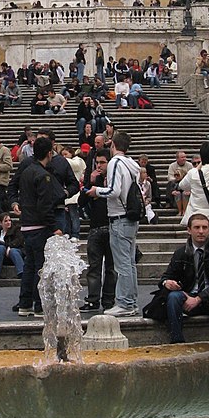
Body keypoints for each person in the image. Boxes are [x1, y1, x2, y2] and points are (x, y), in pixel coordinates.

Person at [155, 214, 209, 342]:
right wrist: (167, 283)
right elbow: (166, 276)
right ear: (189, 230)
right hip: (188, 297)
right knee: (173, 297)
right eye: (197, 227)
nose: (201, 231)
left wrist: (199, 298)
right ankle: (177, 343)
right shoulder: (180, 253)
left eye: (205, 228)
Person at [9, 135, 66, 317]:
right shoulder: (43, 176)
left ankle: (25, 303)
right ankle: (40, 305)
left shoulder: (27, 171)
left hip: (26, 224)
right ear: (50, 153)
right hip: (39, 226)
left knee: (29, 267)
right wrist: (53, 226)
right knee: (41, 268)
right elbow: (44, 205)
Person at [86, 130, 141, 318]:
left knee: (122, 264)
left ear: (113, 145)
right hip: (130, 218)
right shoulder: (132, 164)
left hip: (119, 216)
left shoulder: (116, 163)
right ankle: (131, 301)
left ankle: (124, 303)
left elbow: (114, 190)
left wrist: (96, 191)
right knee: (130, 263)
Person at [79, 151, 116, 313]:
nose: (99, 166)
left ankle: (109, 300)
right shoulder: (94, 179)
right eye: (97, 163)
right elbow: (81, 201)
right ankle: (93, 299)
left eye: (103, 162)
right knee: (94, 267)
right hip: (95, 227)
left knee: (111, 267)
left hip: (112, 226)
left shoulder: (115, 178)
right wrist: (91, 182)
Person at [0, 211, 24, 281]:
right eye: (5, 221)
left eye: (9, 220)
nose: (8, 222)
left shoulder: (16, 229)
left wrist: (9, 246)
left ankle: (22, 273)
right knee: (0, 247)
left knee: (13, 250)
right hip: (2, 255)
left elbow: (19, 241)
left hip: (16, 252)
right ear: (0, 223)